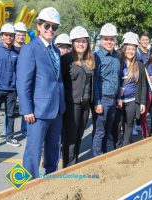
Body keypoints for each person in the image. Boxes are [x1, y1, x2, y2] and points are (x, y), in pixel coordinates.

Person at [16, 7, 65, 179]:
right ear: (38, 26)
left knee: (53, 151)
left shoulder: (56, 51)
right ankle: (20, 189)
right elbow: (23, 83)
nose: (50, 30)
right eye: (47, 25)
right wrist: (26, 109)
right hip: (37, 112)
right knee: (32, 153)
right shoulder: (30, 49)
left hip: (56, 110)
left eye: (54, 27)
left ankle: (50, 185)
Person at [61, 26, 95, 167]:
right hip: (72, 104)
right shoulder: (66, 59)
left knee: (80, 134)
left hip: (86, 104)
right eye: (78, 41)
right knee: (70, 137)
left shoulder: (90, 60)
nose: (81, 44)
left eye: (84, 41)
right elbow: (60, 83)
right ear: (73, 43)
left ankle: (74, 163)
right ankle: (68, 166)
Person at [93, 23, 121, 157]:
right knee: (99, 132)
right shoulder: (96, 56)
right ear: (101, 39)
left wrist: (119, 98)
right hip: (102, 100)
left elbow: (118, 78)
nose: (109, 42)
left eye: (111, 39)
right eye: (106, 39)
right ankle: (96, 159)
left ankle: (105, 155)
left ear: (115, 39)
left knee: (108, 131)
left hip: (113, 99)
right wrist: (97, 102)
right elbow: (95, 81)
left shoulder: (117, 56)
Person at [118, 35, 146, 146]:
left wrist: (142, 102)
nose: (131, 51)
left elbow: (143, 85)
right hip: (119, 101)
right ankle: (117, 145)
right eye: (128, 49)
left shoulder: (139, 65)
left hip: (132, 100)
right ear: (124, 49)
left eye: (133, 49)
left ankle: (125, 145)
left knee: (129, 124)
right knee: (118, 124)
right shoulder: (119, 63)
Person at [0, 23, 20, 146]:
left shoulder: (17, 52)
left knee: (10, 115)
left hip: (11, 89)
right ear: (2, 36)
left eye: (11, 35)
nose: (9, 37)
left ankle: (9, 137)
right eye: (6, 35)